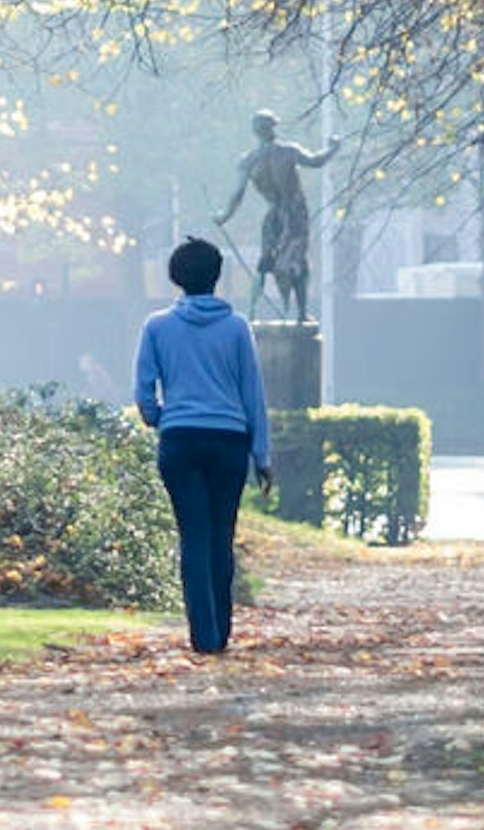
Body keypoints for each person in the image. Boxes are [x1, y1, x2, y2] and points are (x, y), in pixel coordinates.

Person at [135, 237, 273, 654]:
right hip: (229, 441)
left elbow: (144, 394)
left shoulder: (157, 327)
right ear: (217, 276)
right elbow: (253, 395)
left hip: (180, 440)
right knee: (221, 535)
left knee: (192, 534)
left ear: (176, 277)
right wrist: (262, 456)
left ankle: (203, 635)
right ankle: (222, 629)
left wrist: (163, 418)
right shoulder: (236, 328)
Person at [214, 111, 337, 325]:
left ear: (255, 131)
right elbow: (316, 161)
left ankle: (252, 312)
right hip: (295, 214)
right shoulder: (288, 151)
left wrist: (223, 216)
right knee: (298, 263)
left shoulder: (249, 160)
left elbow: (236, 196)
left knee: (264, 263)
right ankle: (300, 312)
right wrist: (334, 147)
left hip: (273, 215)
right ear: (273, 128)